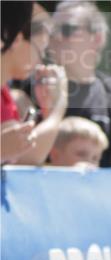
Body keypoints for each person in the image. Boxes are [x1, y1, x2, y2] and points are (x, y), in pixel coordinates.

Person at [47, 1, 111, 169]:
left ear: (97, 38)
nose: (56, 38)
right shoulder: (33, 89)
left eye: (67, 30)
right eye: (51, 32)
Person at [1, 2, 69, 166]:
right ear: (17, 40)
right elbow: (25, 158)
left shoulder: (4, 94)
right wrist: (59, 106)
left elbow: (22, 155)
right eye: (41, 50)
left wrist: (49, 110)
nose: (40, 61)